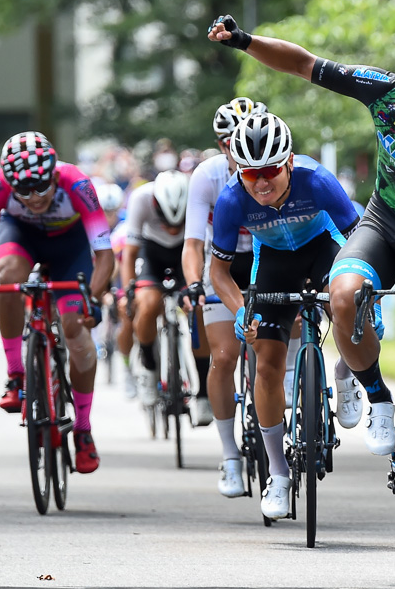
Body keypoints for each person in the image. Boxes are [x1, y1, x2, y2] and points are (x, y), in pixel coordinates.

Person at [209, 13, 395, 528]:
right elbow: (303, 64)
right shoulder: (385, 93)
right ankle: (378, 398)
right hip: (384, 224)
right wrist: (244, 41)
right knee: (342, 296)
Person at [209, 112, 360, 518]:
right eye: (250, 173)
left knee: (350, 310)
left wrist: (359, 294)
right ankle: (278, 473)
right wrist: (240, 311)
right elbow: (218, 272)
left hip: (324, 249)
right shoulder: (230, 199)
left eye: (272, 170)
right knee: (267, 364)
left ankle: (346, 374)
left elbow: (359, 239)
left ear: (289, 163)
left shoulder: (318, 180)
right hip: (273, 263)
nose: (261, 182)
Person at [0, 131, 114, 475]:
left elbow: (105, 255)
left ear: (53, 175)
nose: (33, 197)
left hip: (71, 246)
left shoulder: (77, 184)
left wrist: (90, 300)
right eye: (23, 190)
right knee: (7, 275)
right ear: (9, 182)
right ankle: (16, 375)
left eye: (41, 188)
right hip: (20, 236)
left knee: (75, 330)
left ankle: (82, 428)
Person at [181, 97, 271, 498]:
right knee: (223, 356)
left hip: (270, 258)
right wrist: (192, 285)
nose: (236, 148)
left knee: (279, 343)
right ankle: (230, 454)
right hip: (225, 263)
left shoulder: (275, 167)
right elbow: (193, 243)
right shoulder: (208, 177)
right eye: (226, 142)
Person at [122, 170, 209, 420]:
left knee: (198, 307)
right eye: (165, 221)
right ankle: (149, 368)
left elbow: (205, 247)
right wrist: (130, 290)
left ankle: (203, 392)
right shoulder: (140, 198)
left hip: (187, 252)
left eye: (177, 223)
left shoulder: (198, 197)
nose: (171, 229)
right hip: (152, 254)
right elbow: (130, 253)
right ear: (155, 206)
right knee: (147, 303)